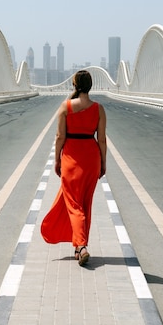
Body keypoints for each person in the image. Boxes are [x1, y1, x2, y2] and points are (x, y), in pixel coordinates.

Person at [41, 69, 107, 266]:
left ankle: (81, 245)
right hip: (91, 158)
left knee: (74, 204)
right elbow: (101, 139)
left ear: (74, 85)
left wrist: (57, 160)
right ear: (90, 86)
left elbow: (60, 136)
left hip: (72, 157)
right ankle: (79, 247)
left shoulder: (66, 107)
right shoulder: (98, 109)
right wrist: (103, 163)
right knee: (85, 202)